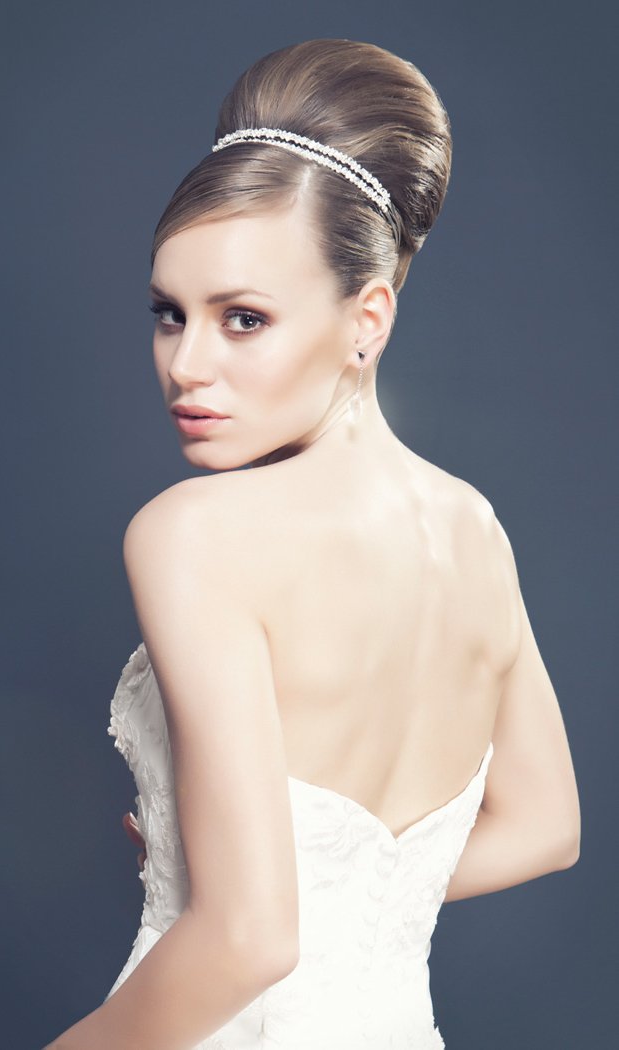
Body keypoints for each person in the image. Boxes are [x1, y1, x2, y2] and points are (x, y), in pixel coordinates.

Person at [44, 37, 580, 1050]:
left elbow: (248, 940)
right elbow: (545, 828)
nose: (186, 364)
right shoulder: (472, 526)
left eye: (243, 319)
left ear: (367, 318)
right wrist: (333, 899)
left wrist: (222, 900)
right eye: (169, 314)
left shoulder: (192, 534)